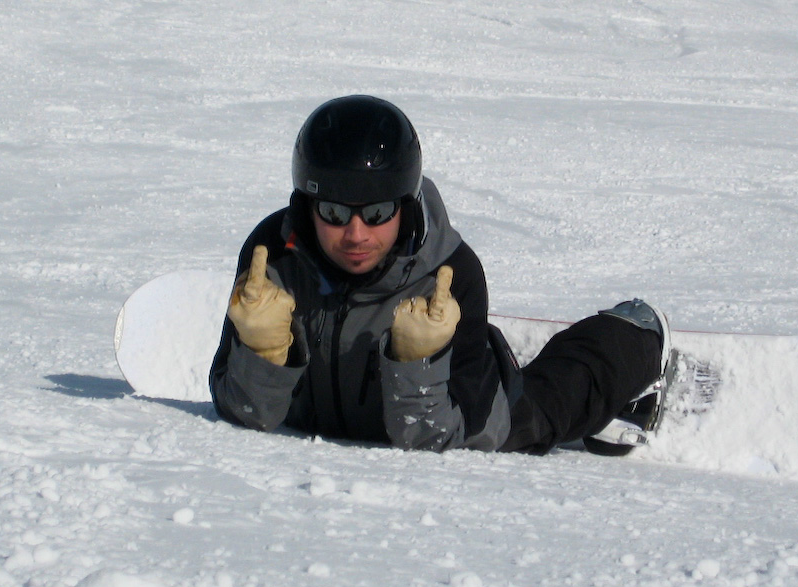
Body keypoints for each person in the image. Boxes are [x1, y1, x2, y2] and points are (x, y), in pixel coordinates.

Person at [210, 95, 670, 456]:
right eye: (332, 212)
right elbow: (244, 414)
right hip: (327, 418)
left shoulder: (450, 273)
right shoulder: (271, 261)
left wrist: (416, 365)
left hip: (466, 421)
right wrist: (261, 353)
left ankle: (634, 335)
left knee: (546, 410)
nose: (355, 234)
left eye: (376, 212)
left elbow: (438, 440)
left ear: (404, 207)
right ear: (307, 206)